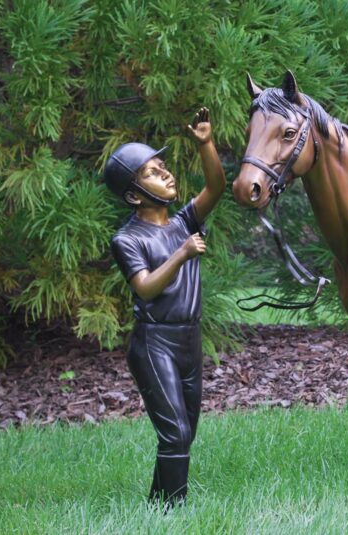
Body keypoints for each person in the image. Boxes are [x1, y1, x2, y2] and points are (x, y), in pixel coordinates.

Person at [102, 107, 225, 508]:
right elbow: (146, 288)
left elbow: (217, 186)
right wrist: (182, 253)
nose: (166, 173)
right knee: (174, 433)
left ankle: (157, 505)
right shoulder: (128, 239)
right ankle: (175, 513)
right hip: (155, 344)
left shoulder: (182, 222)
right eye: (153, 172)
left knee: (184, 430)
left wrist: (205, 144)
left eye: (163, 166)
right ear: (135, 194)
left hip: (189, 338)